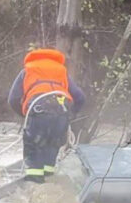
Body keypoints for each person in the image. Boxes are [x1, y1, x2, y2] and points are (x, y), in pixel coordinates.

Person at [8, 47, 86, 183]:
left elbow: (13, 99)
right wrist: (71, 115)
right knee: (53, 144)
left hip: (38, 109)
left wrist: (24, 114)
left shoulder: (27, 70)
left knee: (34, 144)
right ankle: (49, 182)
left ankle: (34, 182)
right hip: (62, 111)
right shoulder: (62, 72)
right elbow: (80, 97)